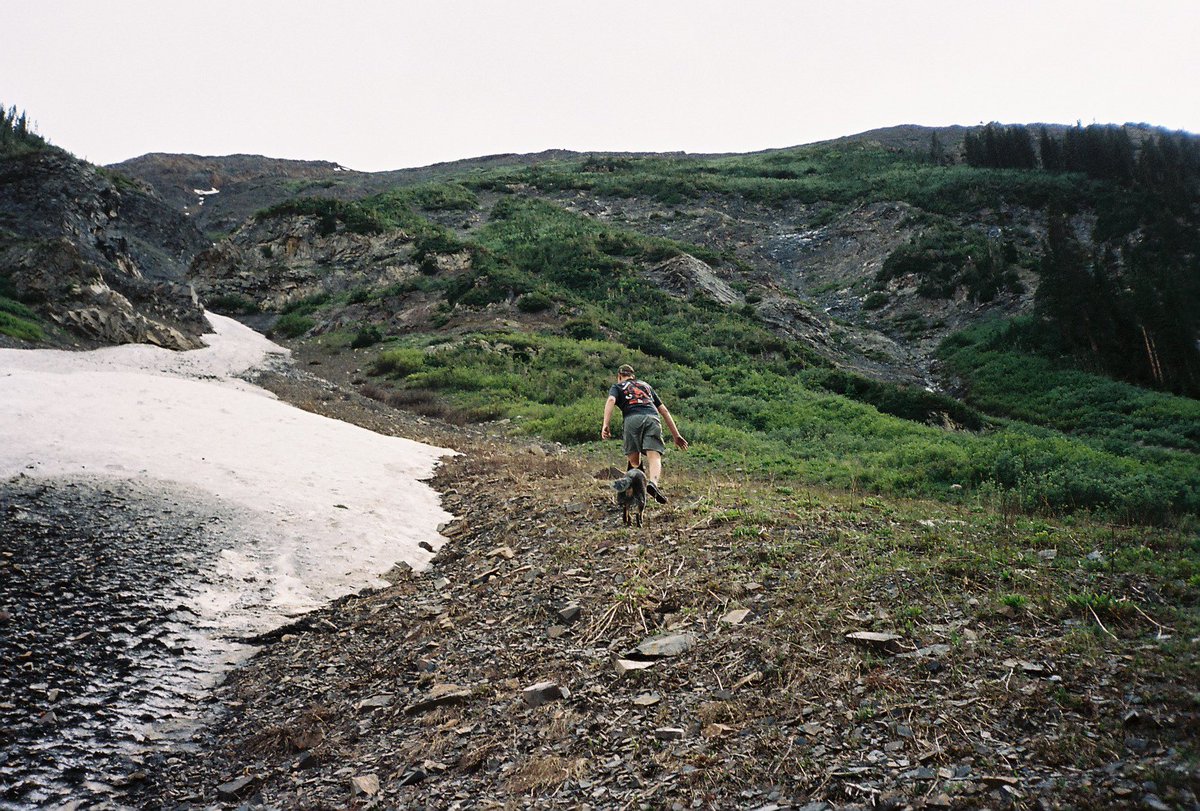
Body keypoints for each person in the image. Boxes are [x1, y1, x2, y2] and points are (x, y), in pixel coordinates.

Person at [601, 364, 688, 503]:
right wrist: (676, 435)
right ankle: (653, 483)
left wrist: (606, 424)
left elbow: (611, 400)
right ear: (633, 376)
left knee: (634, 462)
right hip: (652, 418)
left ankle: (636, 485)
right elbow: (664, 410)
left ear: (619, 376)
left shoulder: (617, 387)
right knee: (654, 456)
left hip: (631, 419)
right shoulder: (646, 386)